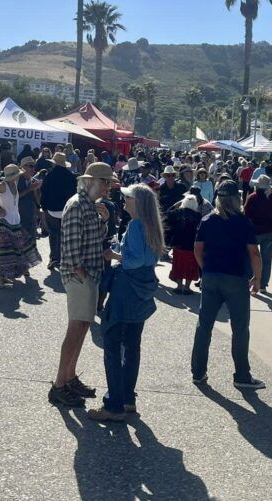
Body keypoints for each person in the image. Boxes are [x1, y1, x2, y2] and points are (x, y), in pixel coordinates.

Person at [86, 184, 164, 422]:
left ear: (137, 202)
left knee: (111, 344)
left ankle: (114, 404)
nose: (124, 201)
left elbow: (134, 260)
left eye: (128, 198)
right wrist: (121, 248)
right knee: (132, 345)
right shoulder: (151, 225)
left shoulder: (136, 225)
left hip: (126, 291)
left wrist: (115, 255)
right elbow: (149, 257)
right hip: (142, 290)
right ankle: (127, 398)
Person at [50, 162, 115, 408]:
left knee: (82, 328)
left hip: (87, 274)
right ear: (93, 182)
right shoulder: (78, 204)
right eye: (105, 182)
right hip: (81, 275)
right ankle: (59, 384)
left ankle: (69, 377)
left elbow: (92, 237)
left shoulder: (86, 204)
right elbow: (71, 243)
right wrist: (80, 271)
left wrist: (103, 221)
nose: (108, 188)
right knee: (76, 329)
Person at [191, 180, 265, 389]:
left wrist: (205, 269)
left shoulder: (207, 220)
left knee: (204, 326)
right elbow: (254, 253)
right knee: (240, 328)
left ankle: (198, 372)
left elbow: (197, 249)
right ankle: (241, 375)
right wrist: (257, 279)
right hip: (235, 277)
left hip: (211, 275)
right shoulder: (243, 222)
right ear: (236, 199)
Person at [0, 165, 42, 286]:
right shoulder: (2, 185)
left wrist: (32, 188)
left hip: (14, 219)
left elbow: (19, 196)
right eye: (17, 175)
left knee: (22, 244)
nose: (18, 176)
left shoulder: (14, 184)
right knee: (4, 249)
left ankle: (8, 274)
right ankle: (0, 277)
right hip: (3, 220)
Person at [244, 175, 272, 293]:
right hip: (269, 232)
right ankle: (262, 285)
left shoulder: (252, 197)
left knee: (251, 257)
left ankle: (252, 280)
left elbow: (246, 215)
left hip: (254, 233)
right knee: (266, 259)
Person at [40, 151, 77, 270]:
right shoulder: (71, 176)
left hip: (52, 209)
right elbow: (74, 194)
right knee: (65, 235)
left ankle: (54, 258)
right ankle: (63, 259)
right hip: (67, 209)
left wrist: (43, 208)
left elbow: (44, 193)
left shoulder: (49, 176)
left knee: (53, 233)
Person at [166, 193, 202, 294]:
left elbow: (166, 214)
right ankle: (187, 288)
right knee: (190, 266)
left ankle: (179, 286)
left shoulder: (178, 212)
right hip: (192, 246)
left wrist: (175, 204)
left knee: (178, 265)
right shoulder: (198, 216)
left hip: (178, 245)